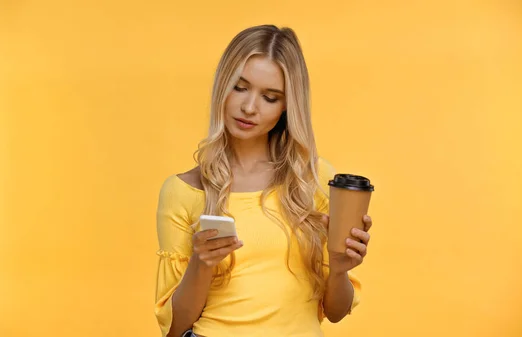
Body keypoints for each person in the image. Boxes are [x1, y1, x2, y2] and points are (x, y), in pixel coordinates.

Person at [154, 24, 373, 337]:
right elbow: (175, 328)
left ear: (286, 107)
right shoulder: (184, 191)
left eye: (270, 97)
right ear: (221, 86)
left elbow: (336, 312)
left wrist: (339, 269)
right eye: (239, 87)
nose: (249, 107)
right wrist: (201, 264)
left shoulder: (314, 178)